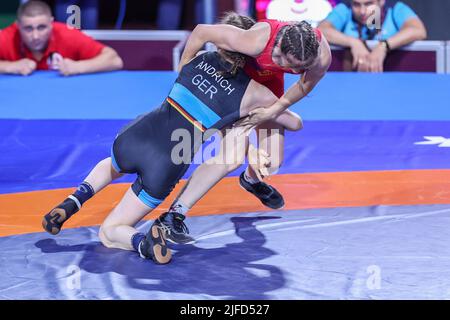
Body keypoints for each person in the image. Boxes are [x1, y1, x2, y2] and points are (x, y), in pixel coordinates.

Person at [41, 20, 302, 264]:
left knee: (112, 164)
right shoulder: (258, 93)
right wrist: (269, 110)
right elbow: (295, 124)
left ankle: (73, 201)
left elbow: (201, 33)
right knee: (110, 232)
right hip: (168, 162)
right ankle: (143, 243)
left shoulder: (200, 58)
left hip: (137, 135)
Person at [153, 12, 331, 244]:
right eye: (289, 64)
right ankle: (175, 214)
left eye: (300, 67)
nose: (295, 71)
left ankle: (250, 180)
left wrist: (273, 110)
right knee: (230, 158)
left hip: (267, 92)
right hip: (235, 84)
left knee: (272, 161)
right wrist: (184, 72)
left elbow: (304, 85)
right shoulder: (255, 40)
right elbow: (200, 32)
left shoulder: (320, 57)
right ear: (279, 45)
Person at [0, 0, 123, 76]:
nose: (35, 36)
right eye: (28, 28)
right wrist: (8, 67)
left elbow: (115, 60)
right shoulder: (8, 36)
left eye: (42, 27)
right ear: (18, 25)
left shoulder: (67, 35)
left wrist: (78, 67)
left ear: (51, 23)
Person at [318, 0, 427, 72]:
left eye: (369, 4)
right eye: (356, 4)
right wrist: (354, 42)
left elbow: (418, 30)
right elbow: (321, 30)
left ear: (381, 2)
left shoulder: (395, 9)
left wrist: (383, 46)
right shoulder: (345, 9)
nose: (362, 11)